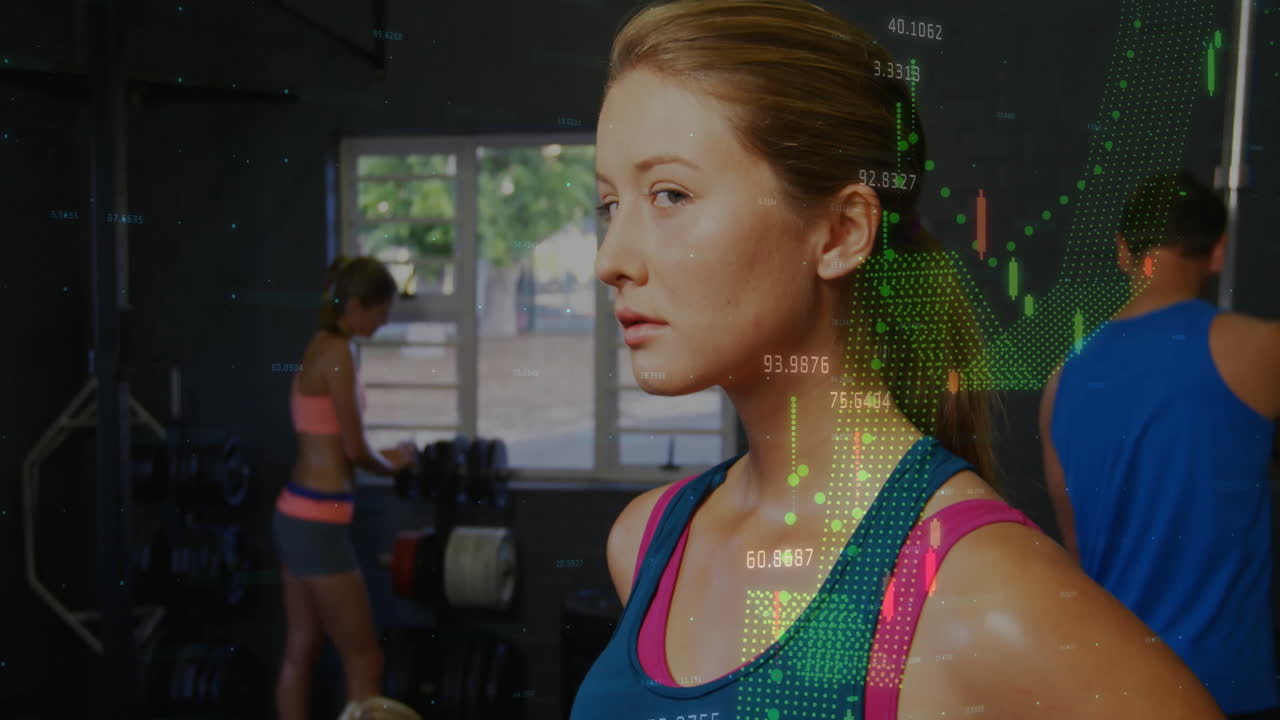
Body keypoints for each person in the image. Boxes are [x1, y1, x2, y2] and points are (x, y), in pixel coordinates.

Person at [571, 1, 1227, 718]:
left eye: (670, 194)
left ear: (843, 232)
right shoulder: (645, 543)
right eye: (610, 205)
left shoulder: (976, 590)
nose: (612, 259)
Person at [1040, 170, 1280, 720]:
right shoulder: (1261, 350)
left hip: (1119, 690)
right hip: (1228, 692)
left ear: (1124, 252)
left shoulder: (1062, 381)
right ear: (1216, 253)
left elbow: (1080, 554)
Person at [273, 255, 422, 720]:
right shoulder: (338, 355)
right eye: (380, 313)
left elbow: (332, 440)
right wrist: (395, 464)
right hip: (318, 522)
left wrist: (383, 458)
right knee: (364, 659)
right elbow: (355, 450)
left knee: (302, 649)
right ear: (355, 306)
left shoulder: (319, 346)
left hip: (294, 513)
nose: (384, 323)